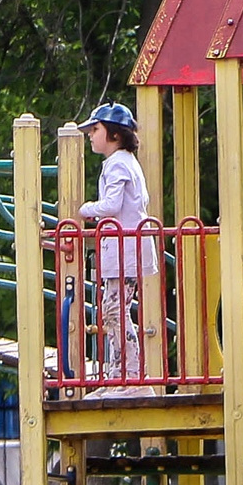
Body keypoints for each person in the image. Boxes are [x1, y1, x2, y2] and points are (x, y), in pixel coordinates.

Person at [78, 101, 158, 387]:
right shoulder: (122, 162)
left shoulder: (118, 165)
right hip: (128, 248)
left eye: (95, 129)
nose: (91, 134)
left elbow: (112, 204)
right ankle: (121, 371)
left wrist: (84, 209)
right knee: (114, 309)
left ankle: (130, 372)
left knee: (113, 310)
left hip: (126, 249)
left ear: (114, 134)